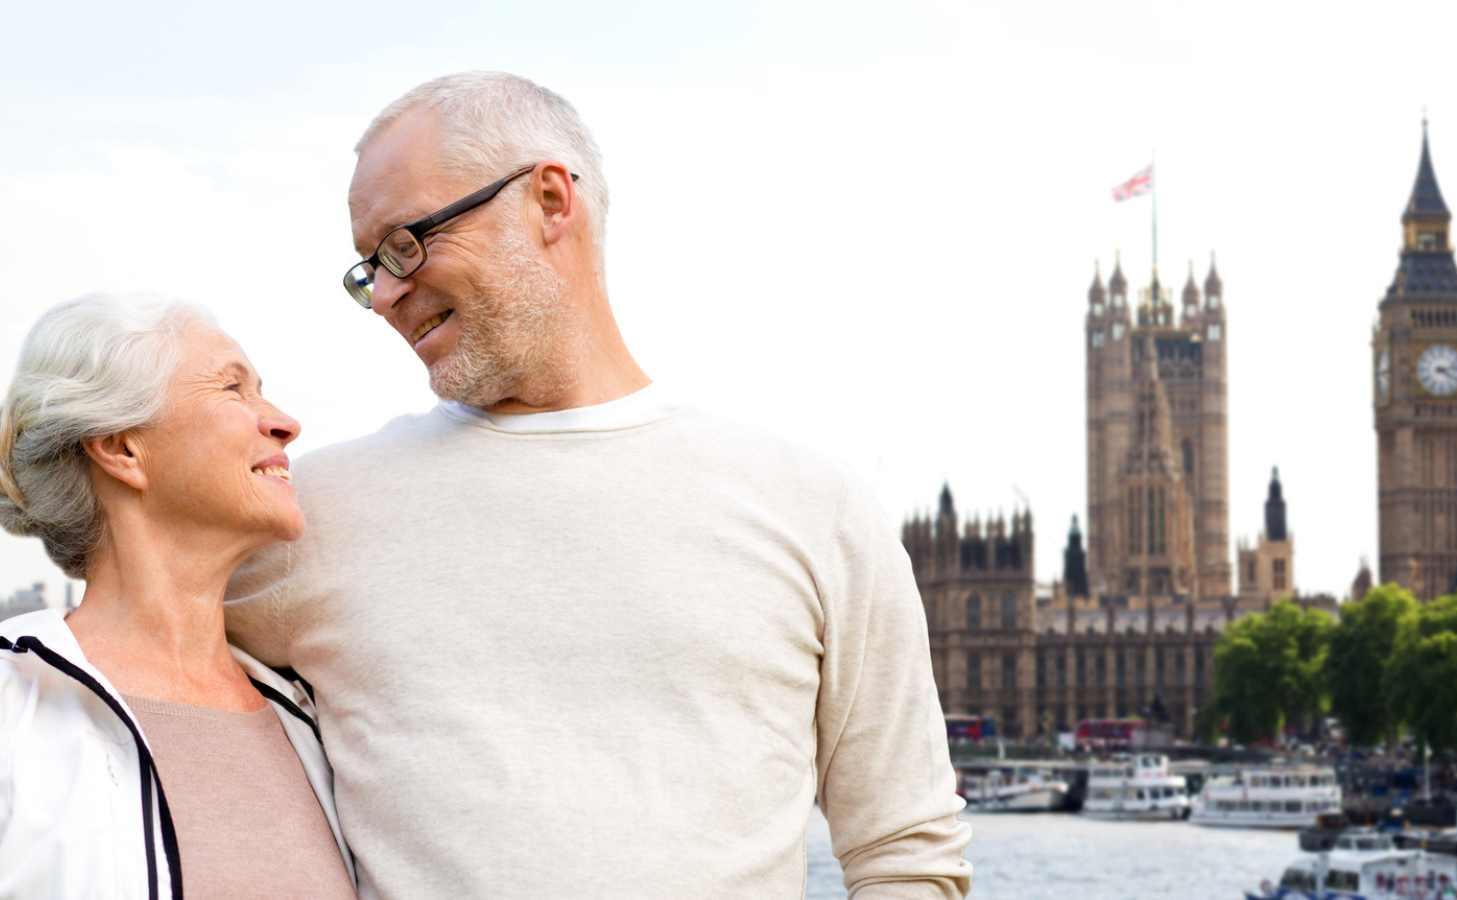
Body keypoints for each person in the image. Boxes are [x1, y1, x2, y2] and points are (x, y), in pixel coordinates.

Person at [224, 71, 972, 898]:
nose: (387, 295)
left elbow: (905, 852)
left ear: (549, 200)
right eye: (370, 268)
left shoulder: (812, 507)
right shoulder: (308, 517)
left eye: (406, 243)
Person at [0, 295, 356, 899]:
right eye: (232, 389)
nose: (284, 422)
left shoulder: (318, 723)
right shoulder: (14, 709)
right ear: (122, 449)